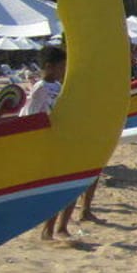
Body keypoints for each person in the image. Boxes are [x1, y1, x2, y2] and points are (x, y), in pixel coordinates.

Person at [21, 46, 95, 241]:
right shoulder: (41, 88)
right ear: (49, 66)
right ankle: (49, 229)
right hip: (49, 143)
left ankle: (62, 227)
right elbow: (31, 116)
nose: (65, 70)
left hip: (63, 140)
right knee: (60, 186)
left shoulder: (58, 86)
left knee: (75, 183)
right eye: (62, 66)